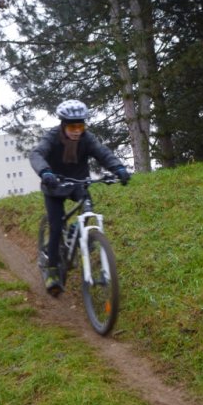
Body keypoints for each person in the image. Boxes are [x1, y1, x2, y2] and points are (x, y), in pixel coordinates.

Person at [29, 99, 131, 295]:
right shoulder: (52, 137)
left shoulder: (87, 138)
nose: (77, 130)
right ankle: (51, 270)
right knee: (57, 227)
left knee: (88, 211)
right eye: (72, 126)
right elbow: (37, 154)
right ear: (63, 125)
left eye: (81, 125)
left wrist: (118, 168)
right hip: (54, 184)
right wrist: (45, 172)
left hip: (78, 183)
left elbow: (103, 153)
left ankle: (81, 235)